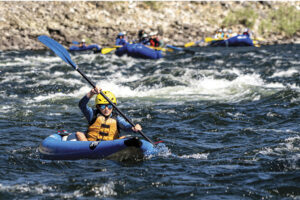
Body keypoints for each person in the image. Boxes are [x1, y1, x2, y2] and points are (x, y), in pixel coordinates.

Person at [76, 87, 142, 141]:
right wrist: (91, 93)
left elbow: (126, 126)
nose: (106, 109)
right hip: (91, 144)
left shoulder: (117, 118)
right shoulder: (92, 114)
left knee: (124, 137)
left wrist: (133, 128)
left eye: (110, 106)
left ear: (113, 106)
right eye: (103, 106)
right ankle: (88, 151)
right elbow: (82, 105)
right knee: (79, 134)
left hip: (110, 145)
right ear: (98, 106)